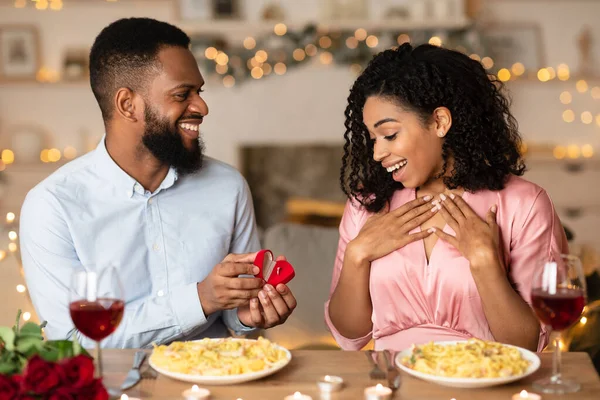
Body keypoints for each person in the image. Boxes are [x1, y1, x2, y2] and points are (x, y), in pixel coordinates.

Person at [20, 17, 296, 349]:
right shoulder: (52, 206)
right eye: (183, 94)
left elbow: (238, 318)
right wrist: (199, 299)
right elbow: (74, 342)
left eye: (199, 92)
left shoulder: (228, 187)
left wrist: (250, 316)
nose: (202, 107)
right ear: (127, 105)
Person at [325, 43, 568, 352]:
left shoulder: (524, 204)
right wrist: (358, 254)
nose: (377, 153)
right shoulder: (366, 206)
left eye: (389, 135)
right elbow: (349, 336)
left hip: (483, 384)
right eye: (372, 139)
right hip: (390, 384)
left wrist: (484, 261)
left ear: (439, 121)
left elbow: (527, 345)